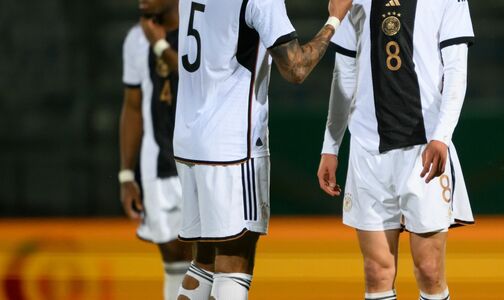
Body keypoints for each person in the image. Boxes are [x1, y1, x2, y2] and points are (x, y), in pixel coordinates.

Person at [171, 0, 351, 298]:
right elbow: (296, 68)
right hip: (231, 146)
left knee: (202, 264)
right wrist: (334, 21)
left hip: (189, 139)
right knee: (233, 265)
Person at [316, 1, 475, 299]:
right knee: (377, 271)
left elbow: (456, 69)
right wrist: (331, 146)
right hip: (367, 148)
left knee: (429, 270)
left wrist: (441, 136)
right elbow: (344, 74)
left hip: (423, 148)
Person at [119, 0, 192, 298]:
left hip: (203, 161)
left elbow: (198, 81)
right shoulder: (136, 39)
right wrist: (126, 175)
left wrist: (161, 47)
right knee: (174, 258)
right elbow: (133, 106)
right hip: (157, 164)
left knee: (210, 256)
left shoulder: (198, 24)